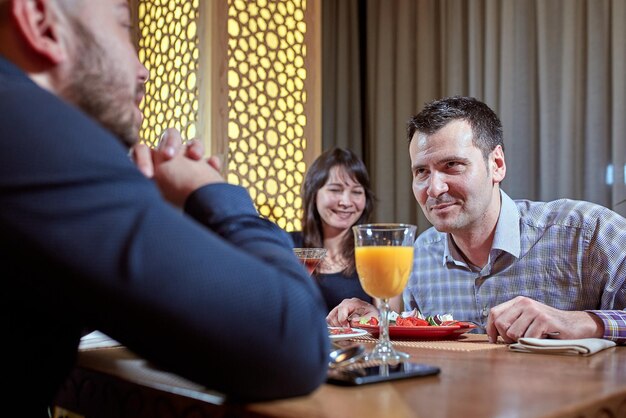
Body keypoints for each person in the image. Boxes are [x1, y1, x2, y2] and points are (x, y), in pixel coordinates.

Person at [0, 0, 329, 416]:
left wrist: (151, 214)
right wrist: (215, 194)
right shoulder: (28, 131)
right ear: (41, 23)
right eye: (123, 24)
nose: (143, 71)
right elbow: (292, 340)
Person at [327, 96, 626, 345]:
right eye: (421, 172)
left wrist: (584, 322)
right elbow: (414, 336)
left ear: (496, 164)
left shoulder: (586, 231)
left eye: (452, 165)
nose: (434, 188)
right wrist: (375, 319)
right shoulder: (420, 255)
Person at [290, 147, 375, 311]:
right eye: (335, 190)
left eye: (356, 192)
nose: (346, 202)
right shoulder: (287, 245)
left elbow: (388, 323)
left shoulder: (375, 254)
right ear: (314, 194)